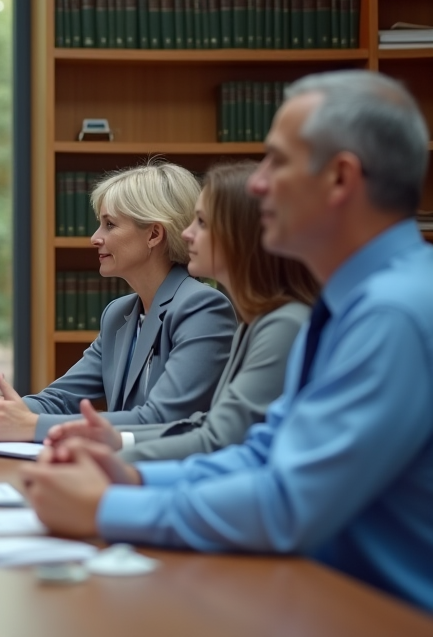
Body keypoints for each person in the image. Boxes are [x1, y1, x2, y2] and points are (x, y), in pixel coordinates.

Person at [22, 70, 433, 613]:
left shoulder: (392, 314)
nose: (257, 183)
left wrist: (107, 507)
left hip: (374, 612)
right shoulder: (346, 307)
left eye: (277, 161)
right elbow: (263, 452)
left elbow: (289, 504)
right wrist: (134, 475)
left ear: (340, 179)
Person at [43, 161, 319, 461]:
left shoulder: (255, 319)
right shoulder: (255, 324)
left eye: (201, 222)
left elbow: (210, 437)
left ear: (243, 234)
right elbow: (204, 428)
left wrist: (112, 457)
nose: (186, 233)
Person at [0, 161, 237, 442]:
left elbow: (161, 418)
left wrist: (31, 426)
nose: (94, 238)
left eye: (109, 225)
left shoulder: (202, 308)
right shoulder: (118, 313)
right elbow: (61, 399)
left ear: (154, 234)